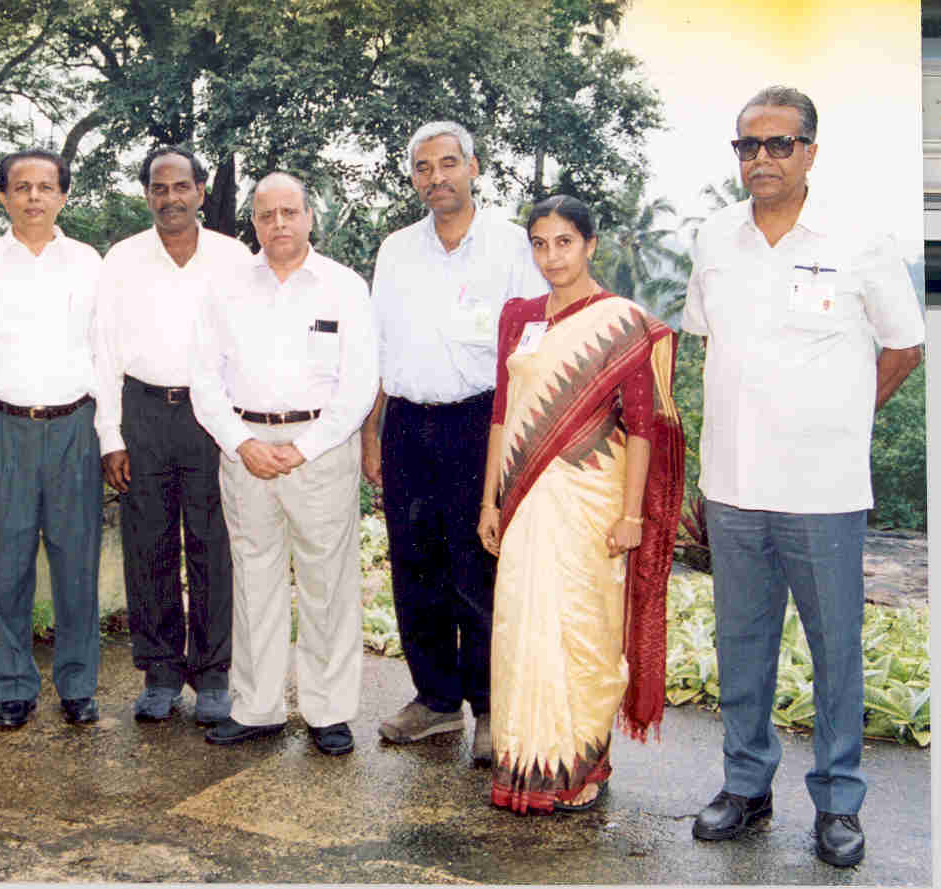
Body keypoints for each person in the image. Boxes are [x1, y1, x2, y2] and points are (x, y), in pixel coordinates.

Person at [683, 86, 923, 867]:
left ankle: (838, 803)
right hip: (734, 488)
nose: (760, 159)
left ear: (811, 152)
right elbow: (701, 342)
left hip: (823, 492)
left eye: (778, 144)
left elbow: (903, 347)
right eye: (747, 146)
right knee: (742, 647)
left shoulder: (858, 240)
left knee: (836, 653)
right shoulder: (715, 239)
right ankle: (746, 789)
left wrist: (847, 417)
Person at [476, 195, 683, 814]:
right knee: (520, 627)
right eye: (539, 243)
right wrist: (489, 501)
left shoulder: (624, 321)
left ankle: (580, 763)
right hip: (523, 498)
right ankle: (525, 768)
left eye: (564, 242)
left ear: (591, 245)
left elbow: (643, 427)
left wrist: (630, 516)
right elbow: (500, 416)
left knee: (585, 631)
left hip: (590, 501)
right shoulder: (518, 317)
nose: (551, 256)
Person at [362, 121, 547, 761]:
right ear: (412, 177)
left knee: (480, 569)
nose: (436, 177)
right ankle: (435, 701)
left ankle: (493, 708)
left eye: (448, 164)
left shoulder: (510, 247)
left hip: (482, 425)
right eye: (423, 167)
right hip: (409, 425)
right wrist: (371, 431)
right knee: (416, 567)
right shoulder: (396, 251)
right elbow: (376, 349)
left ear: (473, 167)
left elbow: (535, 347)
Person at [190, 172, 379, 756]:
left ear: (309, 218)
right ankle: (257, 707)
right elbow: (204, 379)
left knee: (328, 583)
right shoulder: (225, 288)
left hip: (320, 449)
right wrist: (241, 443)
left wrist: (306, 446)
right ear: (254, 222)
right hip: (244, 447)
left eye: (289, 212)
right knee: (253, 580)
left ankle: (328, 711)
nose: (279, 224)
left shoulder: (344, 288)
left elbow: (361, 382)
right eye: (267, 214)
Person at [0, 148, 105, 731]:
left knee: (76, 562)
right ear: (2, 196)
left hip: (74, 428)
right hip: (0, 427)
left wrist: (109, 438)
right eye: (21, 187)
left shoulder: (88, 264)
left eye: (45, 186)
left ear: (62, 195)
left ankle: (78, 685)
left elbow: (107, 357)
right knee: (5, 566)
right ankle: (11, 686)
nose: (33, 197)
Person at [93, 146, 248, 724]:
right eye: (159, 189)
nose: (170, 198)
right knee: (149, 542)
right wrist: (111, 434)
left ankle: (212, 674)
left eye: (180, 187)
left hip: (210, 417)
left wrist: (240, 428)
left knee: (213, 542)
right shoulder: (123, 259)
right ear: (148, 196)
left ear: (201, 192)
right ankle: (159, 670)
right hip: (144, 412)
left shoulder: (233, 260)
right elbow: (103, 350)